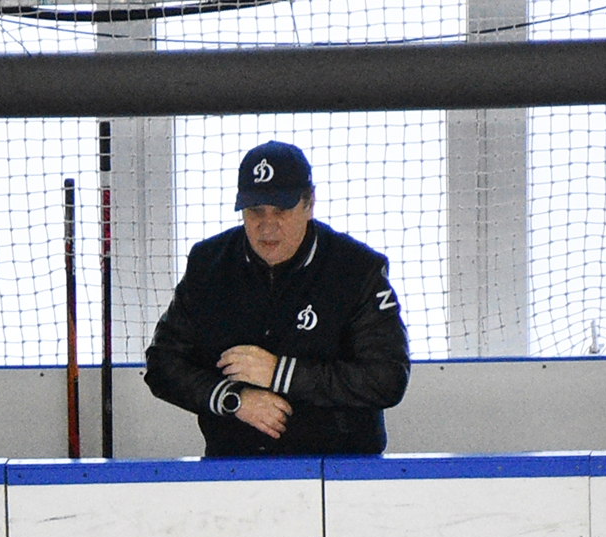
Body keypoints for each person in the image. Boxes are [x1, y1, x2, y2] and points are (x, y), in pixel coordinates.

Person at [144, 140, 410, 456]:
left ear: (309, 203)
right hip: (234, 469)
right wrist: (232, 399)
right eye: (255, 211)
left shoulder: (357, 270)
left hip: (342, 473)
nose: (267, 226)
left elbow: (387, 379)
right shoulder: (208, 264)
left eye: (281, 210)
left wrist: (280, 374)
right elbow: (162, 364)